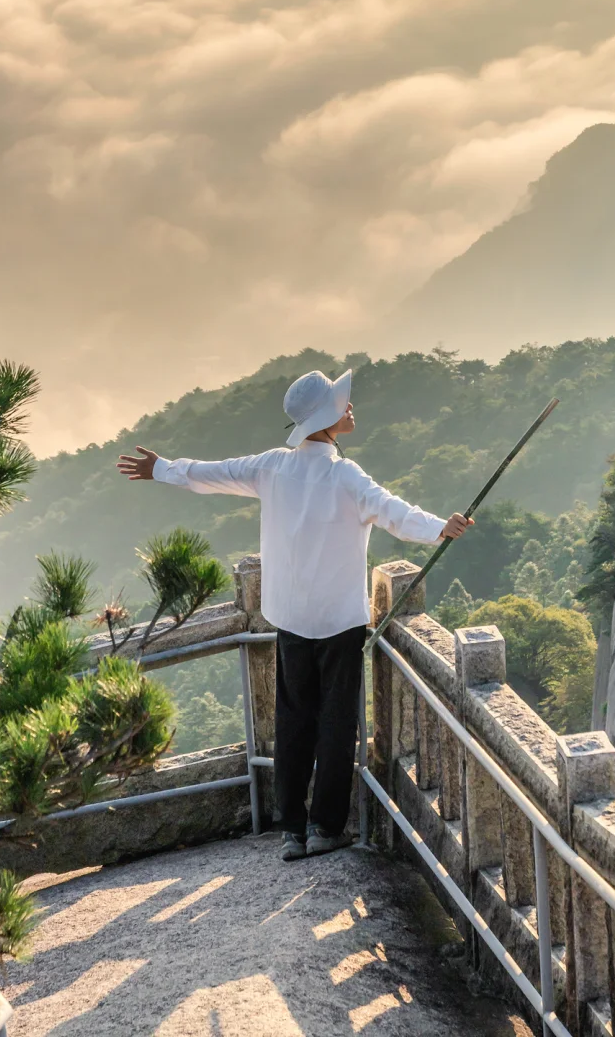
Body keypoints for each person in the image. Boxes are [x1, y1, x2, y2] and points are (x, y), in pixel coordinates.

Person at [116, 367, 473, 862]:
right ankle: (326, 827)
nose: (349, 407)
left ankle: (292, 829)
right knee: (336, 722)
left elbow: (211, 473)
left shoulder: (272, 467)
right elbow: (393, 512)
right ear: (326, 418)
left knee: (293, 720)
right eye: (341, 403)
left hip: (289, 615)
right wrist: (442, 528)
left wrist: (161, 469)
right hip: (340, 619)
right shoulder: (345, 475)